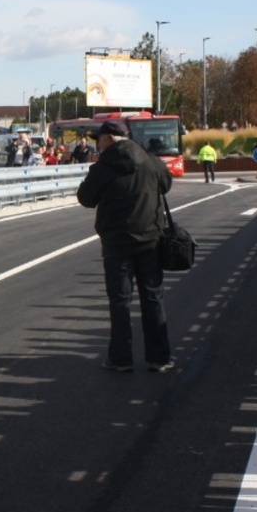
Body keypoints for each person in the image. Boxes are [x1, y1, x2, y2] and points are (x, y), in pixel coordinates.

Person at [76, 118, 175, 372]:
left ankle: (121, 358)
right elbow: (166, 184)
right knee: (153, 299)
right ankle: (159, 358)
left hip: (117, 244)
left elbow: (86, 199)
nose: (97, 143)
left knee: (120, 302)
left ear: (109, 138)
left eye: (99, 138)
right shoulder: (150, 160)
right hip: (151, 240)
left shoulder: (103, 167)